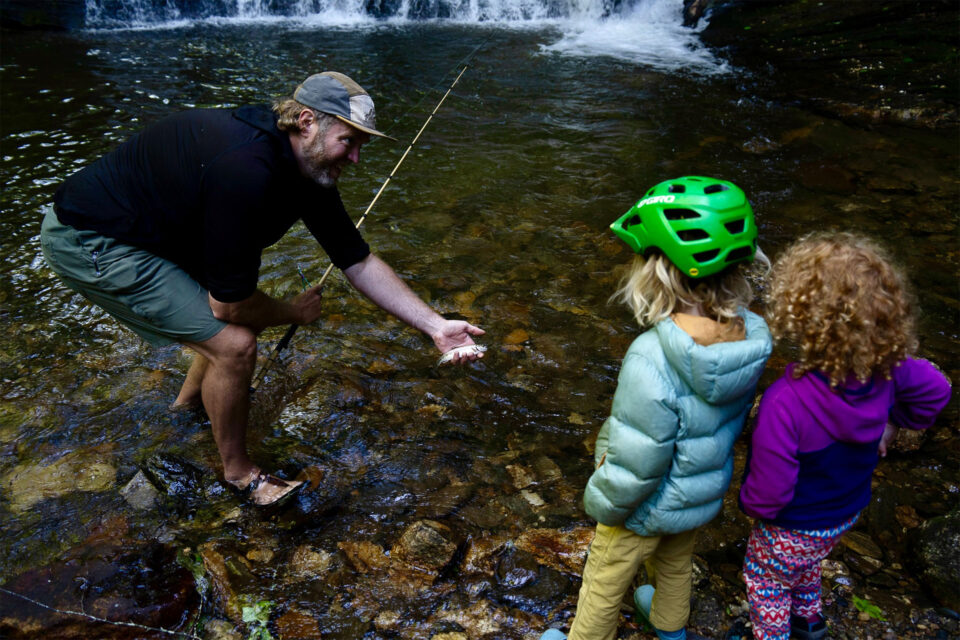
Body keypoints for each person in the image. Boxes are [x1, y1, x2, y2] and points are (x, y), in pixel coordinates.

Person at [40, 71, 485, 506]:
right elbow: (230, 309)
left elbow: (357, 259)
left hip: (156, 230)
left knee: (223, 323)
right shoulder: (246, 169)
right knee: (235, 343)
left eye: (360, 145)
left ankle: (186, 410)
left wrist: (435, 325)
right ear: (307, 121)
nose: (355, 159)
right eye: (348, 142)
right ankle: (240, 476)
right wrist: (294, 311)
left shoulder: (306, 167)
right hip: (93, 238)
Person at [541, 176, 773, 640]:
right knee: (675, 559)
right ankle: (670, 628)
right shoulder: (750, 338)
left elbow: (639, 458)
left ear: (658, 273)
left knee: (605, 576)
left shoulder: (651, 356)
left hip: (645, 506)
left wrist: (604, 502)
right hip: (698, 491)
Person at [738, 232, 951, 640]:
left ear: (798, 317)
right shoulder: (893, 367)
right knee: (807, 565)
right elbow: (938, 391)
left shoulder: (785, 401)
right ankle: (810, 623)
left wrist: (748, 506)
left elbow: (770, 492)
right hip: (844, 513)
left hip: (791, 525)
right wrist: (895, 421)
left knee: (767, 583)